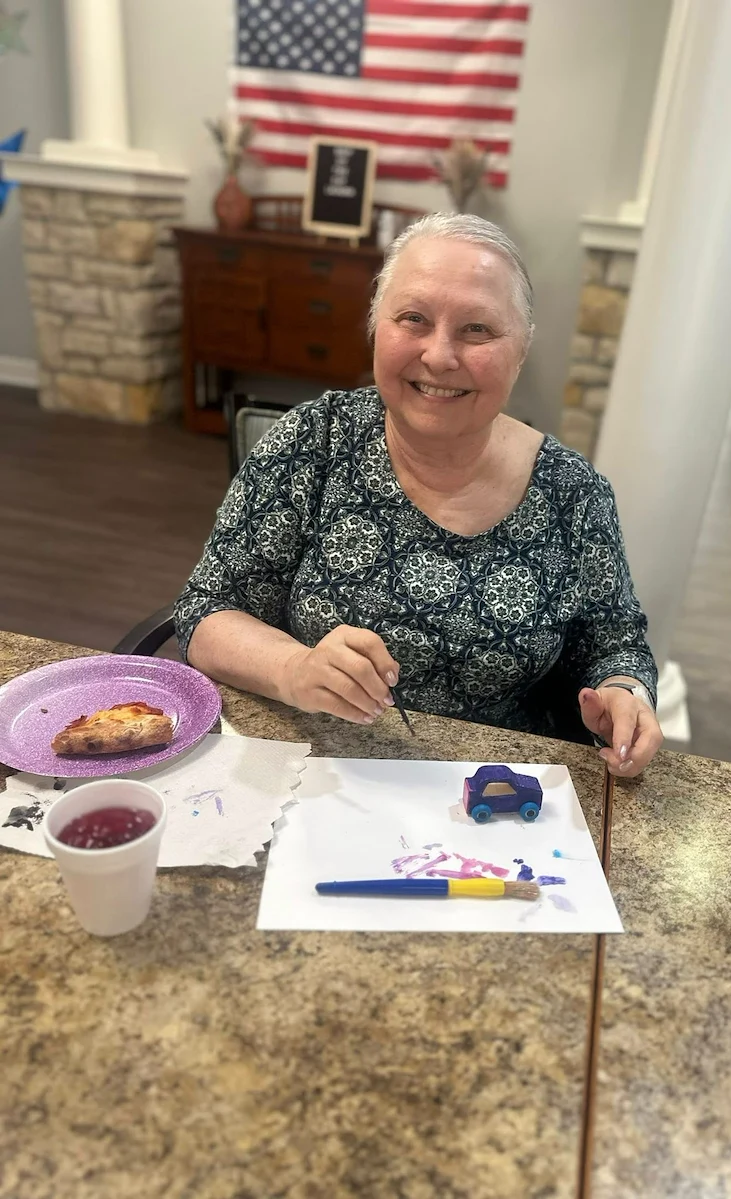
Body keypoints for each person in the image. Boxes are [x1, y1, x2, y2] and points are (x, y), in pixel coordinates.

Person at [174, 213, 662, 777]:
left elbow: (615, 642)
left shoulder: (572, 491)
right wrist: (294, 668)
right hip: (317, 778)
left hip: (495, 797)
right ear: (377, 328)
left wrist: (625, 695)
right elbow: (206, 612)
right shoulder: (314, 442)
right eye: (413, 319)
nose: (438, 356)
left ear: (521, 350)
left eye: (477, 329)